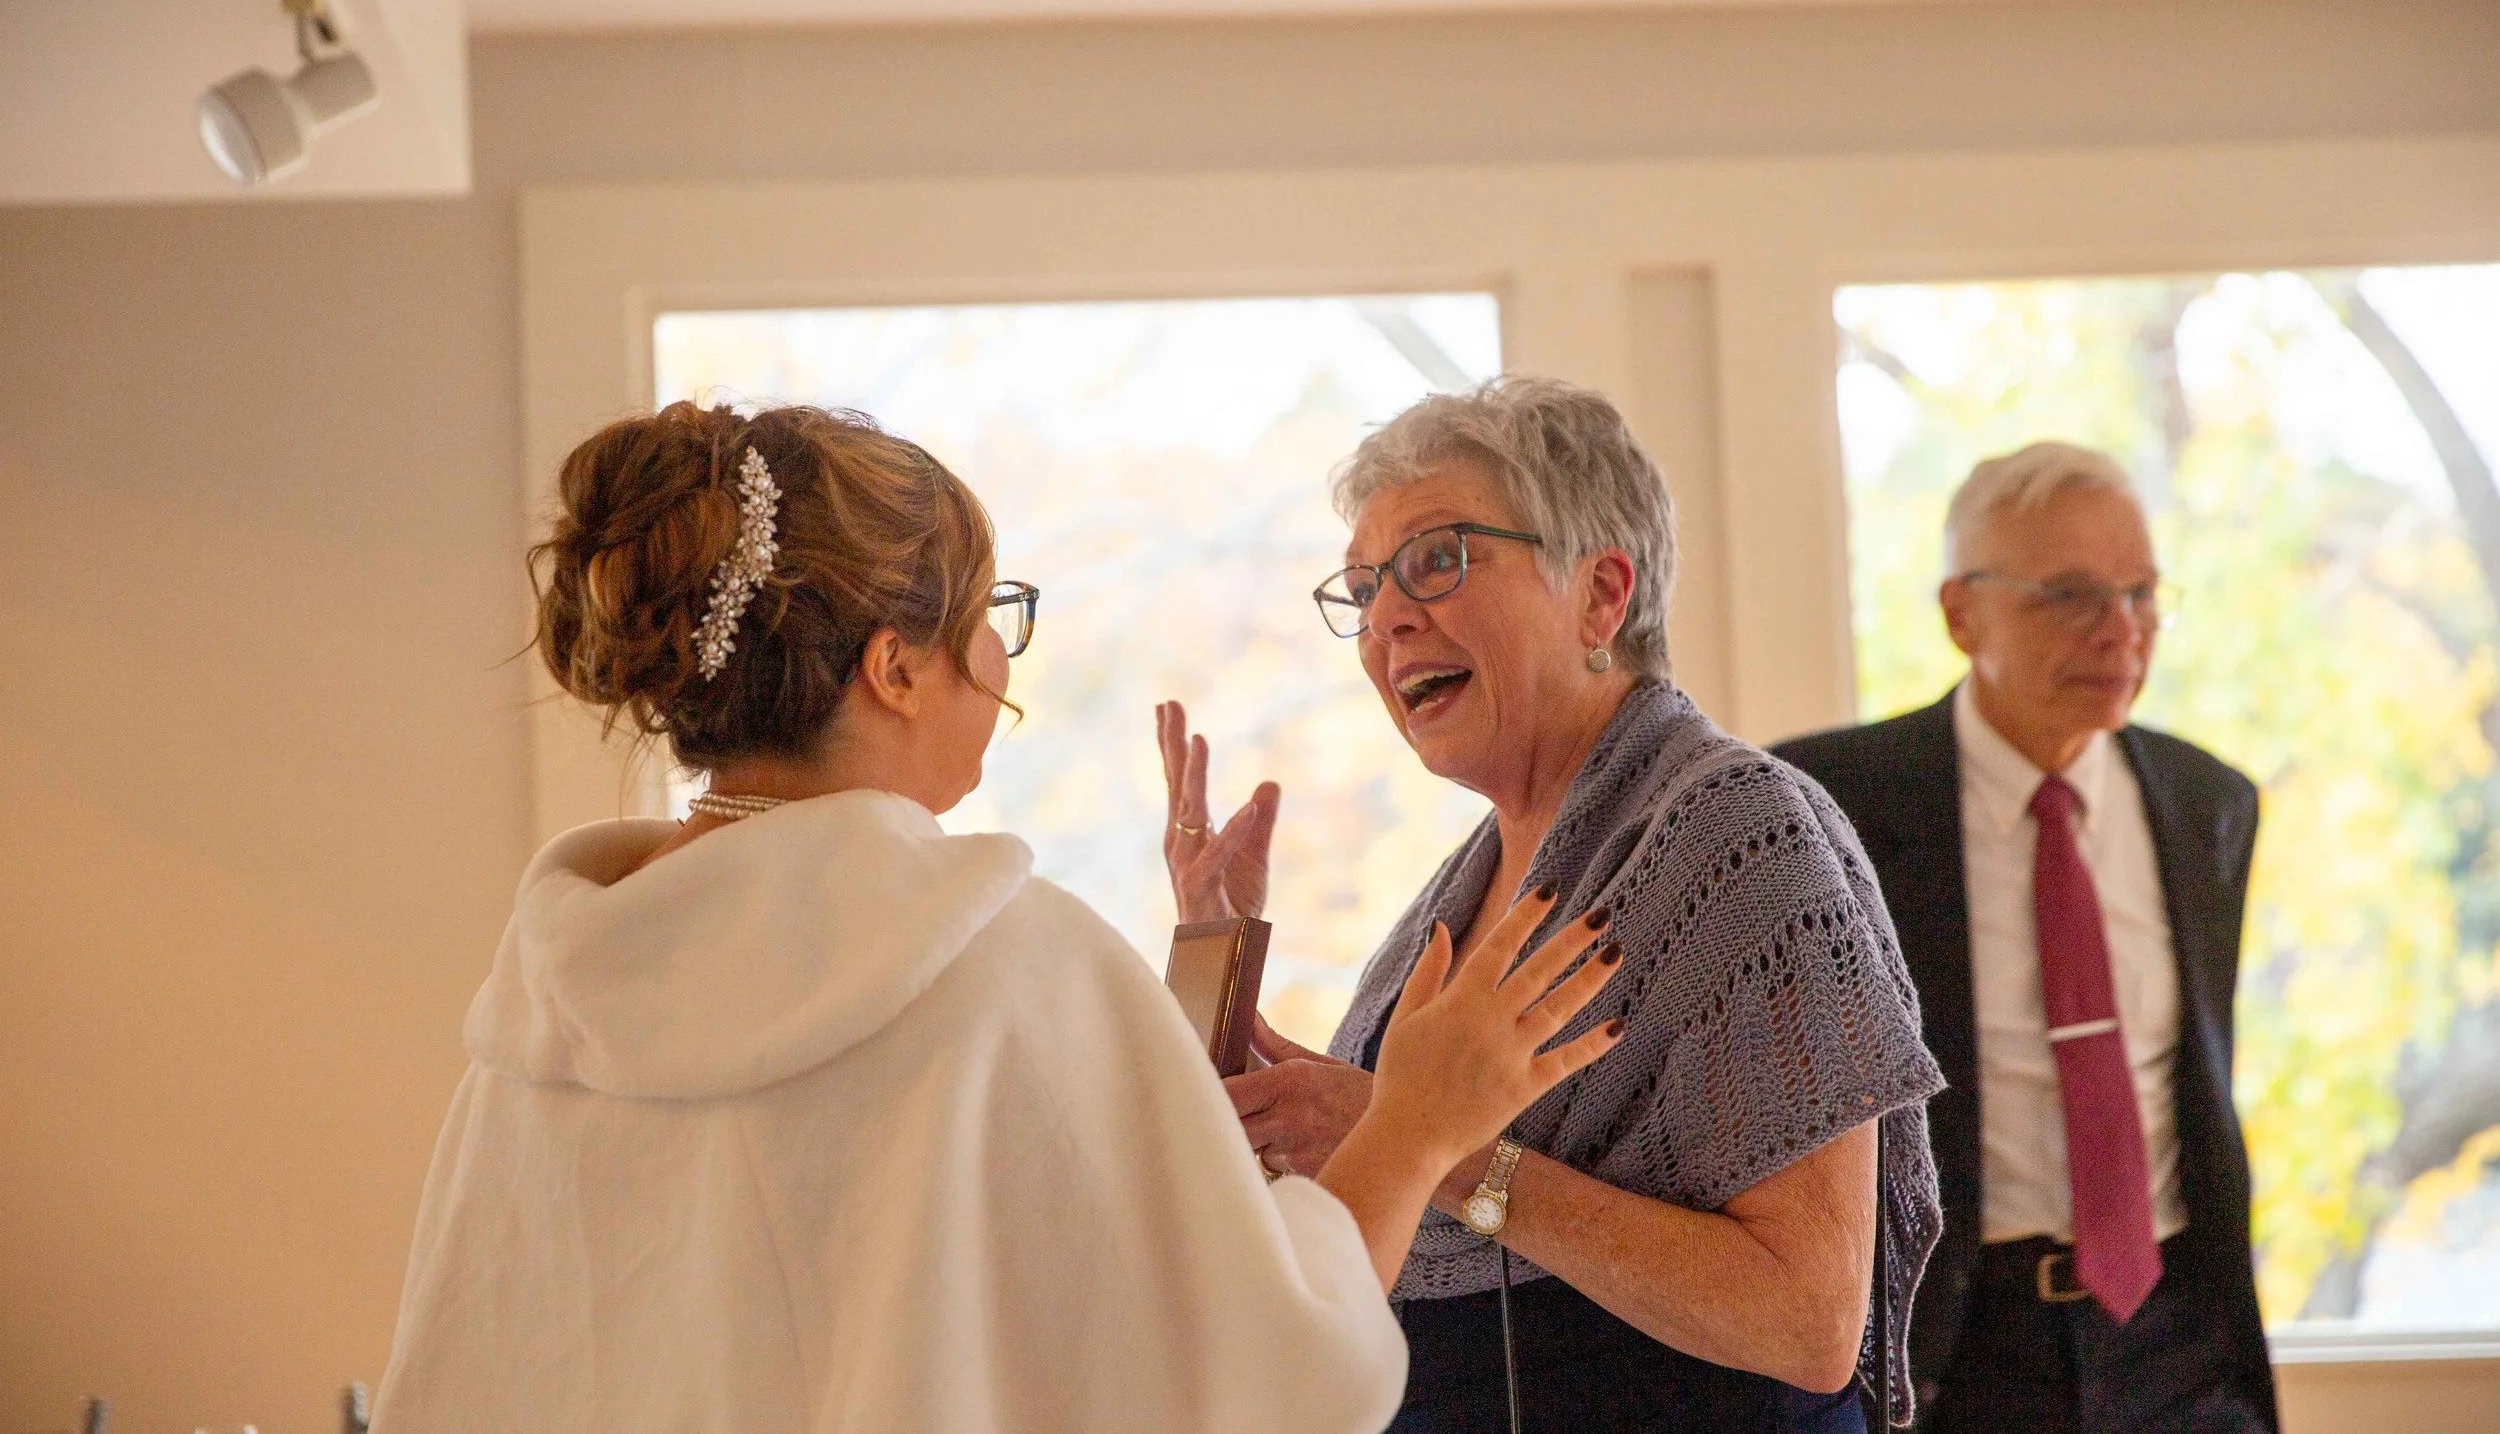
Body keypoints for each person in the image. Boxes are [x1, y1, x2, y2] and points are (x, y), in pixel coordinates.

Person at [370, 401, 1627, 1434]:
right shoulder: (1001, 965)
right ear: (896, 664)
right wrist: (1414, 1126)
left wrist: (1208, 957)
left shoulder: (549, 1022)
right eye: (989, 610)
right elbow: (1263, 1378)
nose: (1004, 657)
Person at [1160, 376, 1946, 1433]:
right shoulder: (1463, 883)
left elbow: (1806, 1319)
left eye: (1435, 559)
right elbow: (1356, 1198)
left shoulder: (1739, 833)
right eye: (1361, 588)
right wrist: (1220, 966)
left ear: (1599, 595)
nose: (1386, 616)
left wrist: (1440, 1151)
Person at [1774, 441, 2278, 1433]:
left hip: (2176, 1341)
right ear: (1960, 612)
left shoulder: (2207, 802)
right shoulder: (1826, 806)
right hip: (1955, 1348)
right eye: (2070, 595)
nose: (2118, 633)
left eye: (2140, 594)